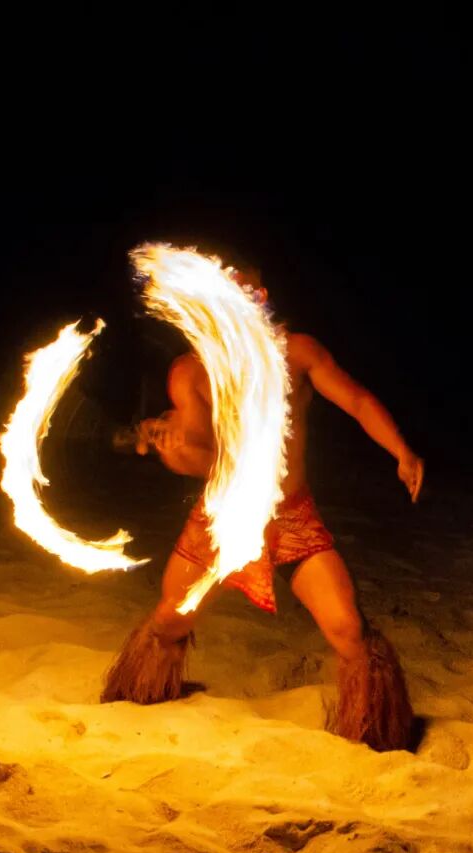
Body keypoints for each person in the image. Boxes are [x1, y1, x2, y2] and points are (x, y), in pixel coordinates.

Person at [100, 263, 425, 753]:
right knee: (169, 622)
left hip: (292, 517)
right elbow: (206, 460)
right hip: (223, 517)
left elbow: (356, 400)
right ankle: (137, 700)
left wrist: (401, 450)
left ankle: (377, 733)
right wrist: (172, 450)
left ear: (260, 300)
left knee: (350, 630)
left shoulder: (298, 354)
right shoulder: (191, 373)